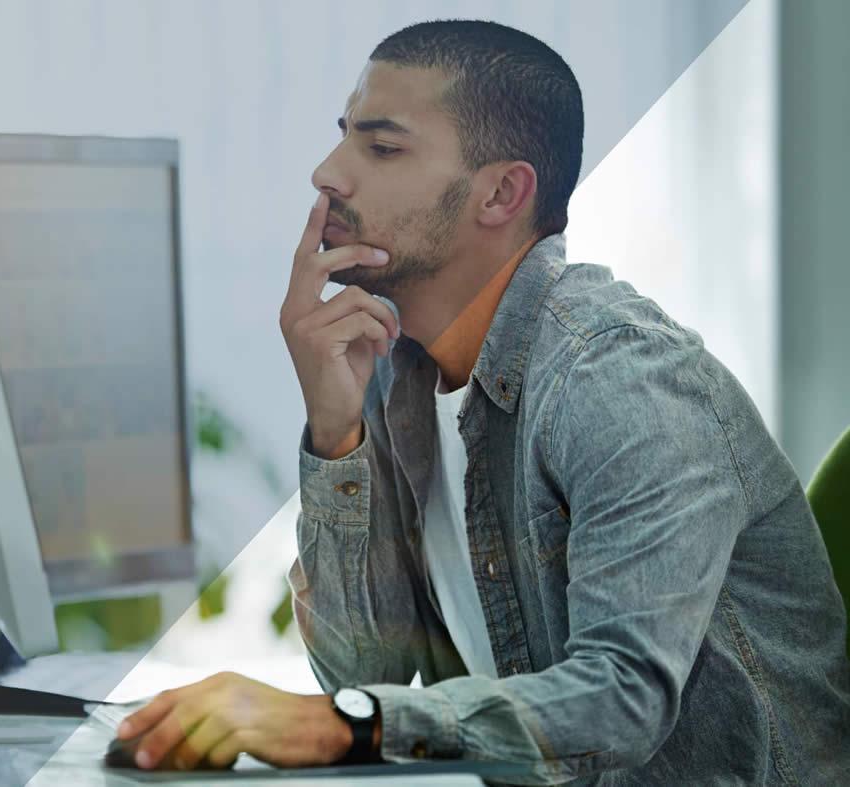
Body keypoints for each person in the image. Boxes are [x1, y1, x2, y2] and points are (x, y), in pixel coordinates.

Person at [114, 19, 850, 783]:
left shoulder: (616, 377)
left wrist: (336, 723)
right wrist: (336, 435)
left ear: (501, 192)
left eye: (382, 147)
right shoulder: (397, 374)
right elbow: (364, 674)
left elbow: (620, 700)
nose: (327, 173)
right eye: (343, 139)